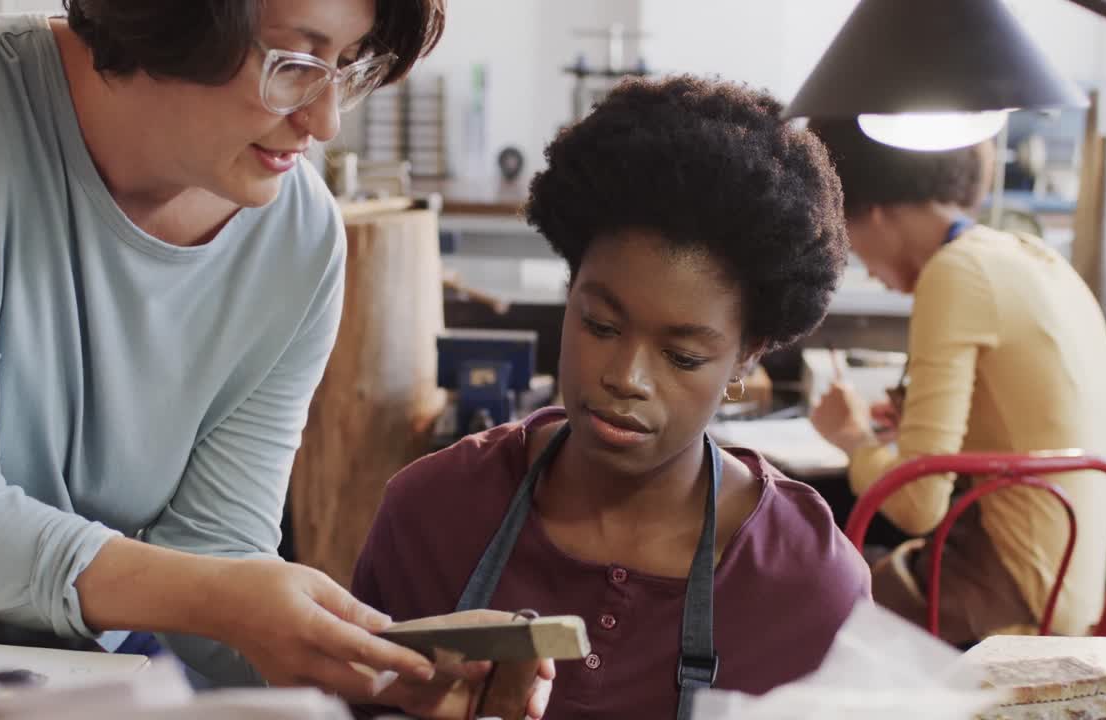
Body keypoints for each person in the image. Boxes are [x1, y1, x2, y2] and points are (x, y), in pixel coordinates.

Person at [0, 1, 554, 715]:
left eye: (348, 65)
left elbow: (215, 556)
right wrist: (221, 598)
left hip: (74, 681)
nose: (326, 122)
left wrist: (378, 658)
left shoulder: (297, 238)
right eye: (294, 63)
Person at [351, 75, 870, 720]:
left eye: (682, 356)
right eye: (600, 325)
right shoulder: (432, 514)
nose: (627, 376)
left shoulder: (808, 585)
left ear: (747, 355)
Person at [807, 119, 1106, 645]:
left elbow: (914, 505)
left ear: (876, 215)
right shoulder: (1030, 256)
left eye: (853, 246)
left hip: (1005, 600)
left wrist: (853, 440)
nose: (868, 271)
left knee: (795, 597)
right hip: (1072, 594)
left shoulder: (954, 274)